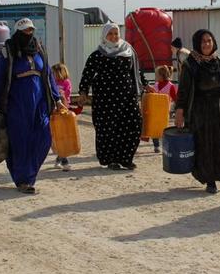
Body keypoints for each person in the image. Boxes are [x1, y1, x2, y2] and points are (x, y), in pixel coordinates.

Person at [0, 18, 65, 194]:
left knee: (43, 138)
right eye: (25, 31)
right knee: (20, 141)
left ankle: (30, 174)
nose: (29, 33)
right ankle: (23, 180)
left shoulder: (39, 49)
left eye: (31, 30)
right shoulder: (9, 51)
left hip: (40, 101)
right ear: (18, 32)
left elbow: (48, 75)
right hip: (17, 101)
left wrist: (57, 99)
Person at [175, 29, 220, 194]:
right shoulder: (190, 64)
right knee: (205, 145)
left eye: (209, 41)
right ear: (197, 44)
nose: (206, 44)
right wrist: (180, 112)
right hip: (201, 111)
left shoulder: (217, 61)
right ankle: (210, 181)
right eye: (203, 41)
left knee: (219, 144)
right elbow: (183, 91)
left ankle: (217, 175)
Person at [79, 22, 150, 171]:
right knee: (108, 129)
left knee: (133, 125)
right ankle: (110, 160)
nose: (113, 37)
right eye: (110, 34)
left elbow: (137, 71)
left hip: (128, 98)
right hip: (106, 100)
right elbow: (87, 74)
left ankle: (126, 158)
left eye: (116, 33)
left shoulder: (128, 52)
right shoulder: (97, 55)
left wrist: (145, 84)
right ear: (105, 36)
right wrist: (83, 91)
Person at [50, 63, 73, 172]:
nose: (52, 75)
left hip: (63, 111)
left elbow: (67, 96)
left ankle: (61, 160)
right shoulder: (52, 83)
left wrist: (61, 95)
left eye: (54, 73)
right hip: (54, 112)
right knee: (58, 136)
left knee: (64, 136)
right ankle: (63, 161)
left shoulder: (66, 82)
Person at [151, 65, 178, 153]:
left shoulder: (171, 86)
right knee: (154, 128)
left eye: (157, 75)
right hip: (154, 110)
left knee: (164, 128)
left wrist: (178, 110)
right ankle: (156, 146)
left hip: (165, 111)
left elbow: (175, 99)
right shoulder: (155, 85)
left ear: (162, 75)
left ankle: (165, 146)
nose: (156, 77)